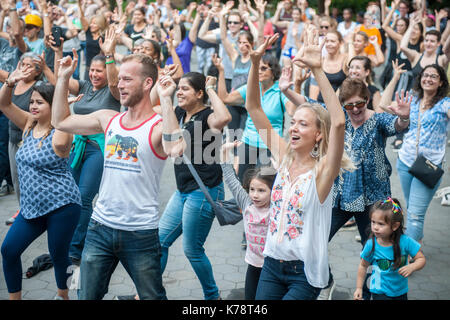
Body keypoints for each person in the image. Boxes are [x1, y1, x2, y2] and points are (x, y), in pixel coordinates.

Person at [52, 52, 184, 300]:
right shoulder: (109, 119)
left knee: (151, 297)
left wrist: (166, 99)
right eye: (119, 79)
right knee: (86, 295)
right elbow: (60, 120)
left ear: (147, 84)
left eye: (127, 79)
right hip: (99, 227)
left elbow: (175, 148)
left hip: (140, 233)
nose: (119, 84)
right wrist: (62, 78)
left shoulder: (157, 125)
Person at [246, 29, 350, 300]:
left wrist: (317, 69)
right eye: (293, 122)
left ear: (318, 134)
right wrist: (255, 63)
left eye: (303, 124)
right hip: (270, 264)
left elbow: (338, 123)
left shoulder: (323, 172)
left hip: (304, 273)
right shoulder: (282, 157)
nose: (293, 128)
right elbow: (254, 109)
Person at [0, 72, 81, 300]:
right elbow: (4, 103)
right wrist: (10, 82)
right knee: (8, 250)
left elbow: (63, 135)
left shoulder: (61, 133)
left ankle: (64, 295)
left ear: (52, 105)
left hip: (62, 206)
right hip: (31, 208)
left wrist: (63, 108)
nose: (33, 106)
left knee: (59, 255)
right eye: (32, 101)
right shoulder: (27, 123)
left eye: (40, 102)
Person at [51, 27, 121, 266]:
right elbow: (57, 80)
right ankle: (67, 239)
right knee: (70, 195)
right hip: (78, 147)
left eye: (98, 71)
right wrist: (58, 51)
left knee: (83, 196)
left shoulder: (114, 92)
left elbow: (113, 79)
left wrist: (109, 55)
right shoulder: (84, 86)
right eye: (91, 70)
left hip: (100, 149)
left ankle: (75, 248)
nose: (93, 74)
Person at [158, 72, 231, 300]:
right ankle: (149, 293)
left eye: (185, 89)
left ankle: (212, 297)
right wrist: (164, 94)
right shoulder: (179, 113)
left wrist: (211, 88)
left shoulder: (207, 116)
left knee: (192, 249)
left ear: (199, 94)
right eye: (178, 87)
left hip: (204, 190)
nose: (179, 91)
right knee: (159, 241)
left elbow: (225, 117)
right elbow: (161, 127)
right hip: (183, 191)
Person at [214, 51, 296, 182]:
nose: (259, 71)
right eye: (257, 68)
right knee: (243, 184)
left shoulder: (280, 91)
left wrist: (295, 85)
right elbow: (225, 98)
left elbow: (292, 111)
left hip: (270, 145)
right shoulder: (251, 88)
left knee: (263, 185)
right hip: (247, 143)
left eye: (264, 68)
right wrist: (221, 71)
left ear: (273, 72)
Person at [396, 64, 449, 243]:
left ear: (441, 82)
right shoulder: (413, 98)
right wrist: (395, 78)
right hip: (405, 161)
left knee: (415, 216)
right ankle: (415, 240)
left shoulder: (445, 103)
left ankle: (406, 256)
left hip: (429, 165)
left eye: (434, 76)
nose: (428, 79)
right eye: (425, 75)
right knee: (411, 208)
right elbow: (382, 105)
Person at [220, 140, 276, 300]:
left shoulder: (276, 207)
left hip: (272, 268)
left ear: (273, 191)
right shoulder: (246, 203)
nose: (255, 195)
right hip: (253, 264)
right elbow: (231, 179)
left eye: (261, 190)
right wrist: (224, 153)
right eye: (252, 189)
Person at [354, 198, 426, 300]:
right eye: (373, 222)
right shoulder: (371, 244)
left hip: (400, 291)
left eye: (381, 224)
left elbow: (421, 259)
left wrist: (412, 267)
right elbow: (363, 266)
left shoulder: (405, 242)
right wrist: (359, 288)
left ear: (395, 226)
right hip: (379, 291)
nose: (375, 227)